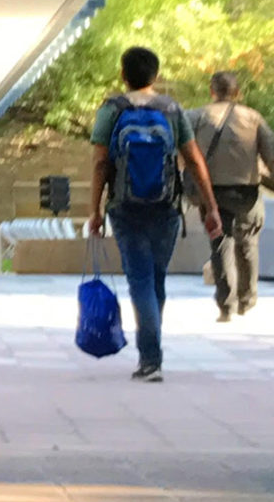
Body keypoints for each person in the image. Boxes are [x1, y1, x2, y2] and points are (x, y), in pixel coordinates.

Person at [87, 46, 222, 379]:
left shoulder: (111, 109)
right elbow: (194, 161)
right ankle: (152, 352)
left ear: (123, 75)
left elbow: (100, 163)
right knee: (155, 279)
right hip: (166, 207)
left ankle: (151, 359)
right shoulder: (172, 110)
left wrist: (94, 210)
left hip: (124, 207)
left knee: (141, 280)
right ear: (156, 76)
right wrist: (211, 207)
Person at [192, 71, 274, 321]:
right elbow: (271, 155)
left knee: (220, 244)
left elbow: (183, 154)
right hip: (247, 190)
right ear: (237, 92)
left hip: (211, 191)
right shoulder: (253, 118)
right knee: (248, 243)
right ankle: (247, 299)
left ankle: (226, 305)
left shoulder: (196, 116)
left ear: (211, 90)